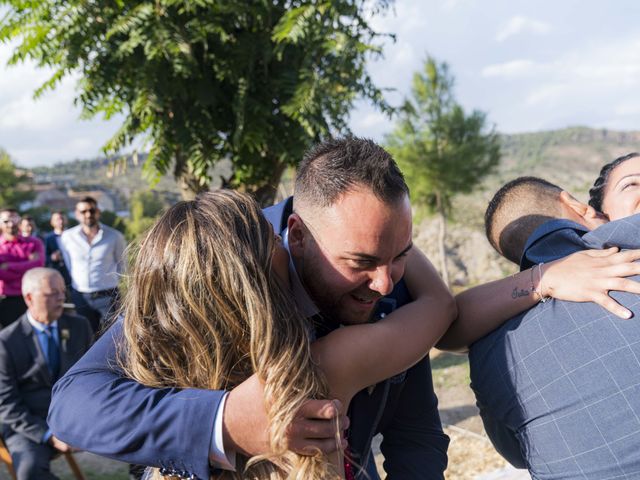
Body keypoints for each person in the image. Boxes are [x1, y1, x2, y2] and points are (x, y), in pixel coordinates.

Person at [49, 138, 454, 480]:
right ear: (296, 236)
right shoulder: (221, 259)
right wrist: (221, 422)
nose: (385, 283)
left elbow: (416, 432)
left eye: (402, 253)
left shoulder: (391, 272)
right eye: (360, 262)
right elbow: (75, 402)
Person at [120, 189, 457, 479]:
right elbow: (440, 305)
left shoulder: (163, 432)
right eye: (272, 236)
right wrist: (390, 241)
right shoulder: (327, 366)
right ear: (254, 289)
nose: (285, 244)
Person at [465, 175, 640, 478]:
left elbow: (519, 456)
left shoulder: (488, 350)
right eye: (632, 184)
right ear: (576, 205)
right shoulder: (630, 245)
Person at [0, 268, 93, 480]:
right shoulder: (6, 342)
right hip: (28, 426)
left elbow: (93, 376)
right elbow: (6, 404)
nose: (61, 297)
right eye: (52, 293)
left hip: (73, 419)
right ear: (29, 298)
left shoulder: (79, 326)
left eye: (62, 291)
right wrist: (49, 435)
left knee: (139, 432)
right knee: (29, 470)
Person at [59, 196, 126, 333]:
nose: (88, 214)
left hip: (108, 295)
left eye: (92, 210)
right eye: (83, 212)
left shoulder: (114, 236)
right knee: (85, 335)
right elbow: (68, 263)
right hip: (81, 295)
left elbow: (122, 265)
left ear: (98, 212)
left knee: (113, 335)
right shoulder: (67, 237)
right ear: (77, 214)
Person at [0, 208, 45, 328]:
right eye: (5, 221)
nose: (10, 224)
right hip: (7, 300)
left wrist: (9, 266)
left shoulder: (35, 242)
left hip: (33, 297)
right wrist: (28, 264)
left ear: (19, 220)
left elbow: (39, 266)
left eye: (14, 219)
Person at [44, 212, 71, 288]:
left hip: (75, 274)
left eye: (62, 218)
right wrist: (52, 258)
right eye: (57, 219)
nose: (61, 221)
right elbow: (44, 257)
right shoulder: (48, 238)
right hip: (57, 275)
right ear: (52, 222)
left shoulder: (74, 236)